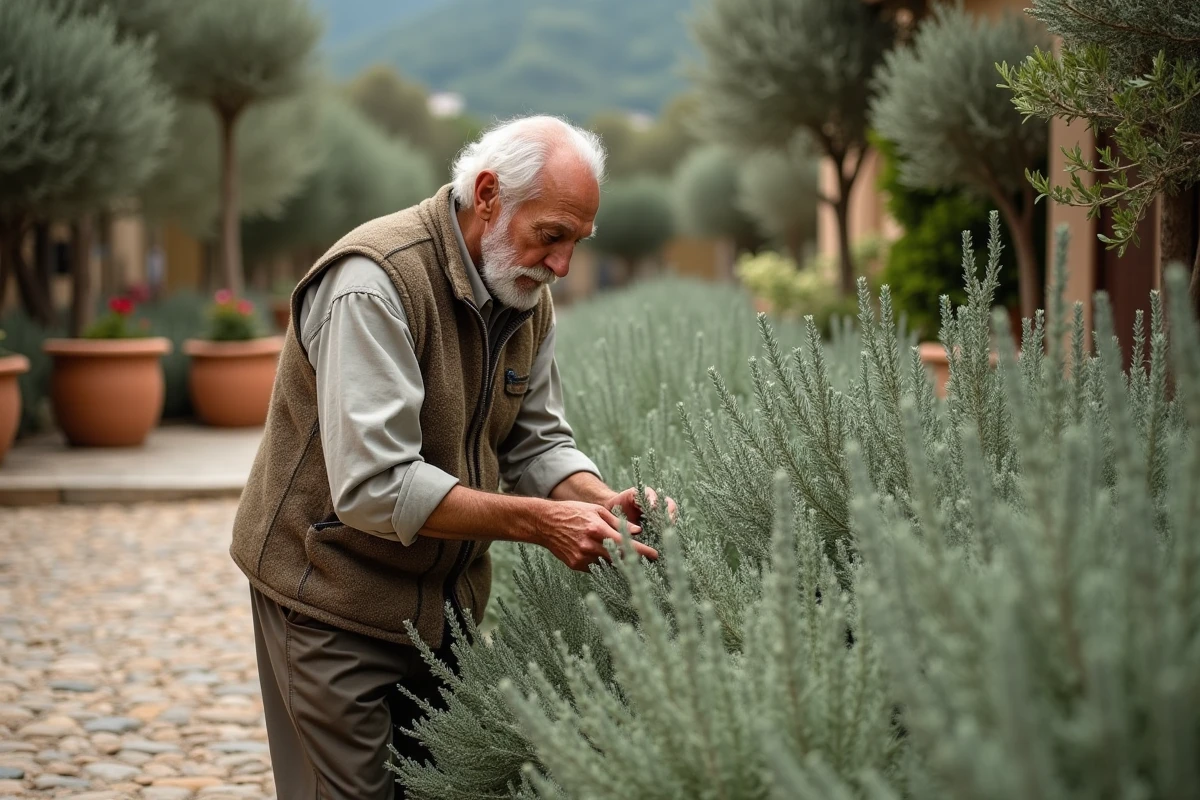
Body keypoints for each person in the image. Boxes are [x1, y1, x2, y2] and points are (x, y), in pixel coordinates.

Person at [229, 115, 676, 799]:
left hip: (444, 613)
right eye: (550, 235)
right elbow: (377, 486)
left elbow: (537, 441)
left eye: (577, 242)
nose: (562, 265)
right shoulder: (373, 282)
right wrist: (540, 525)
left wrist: (599, 500)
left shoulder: (525, 290)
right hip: (331, 601)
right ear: (489, 195)